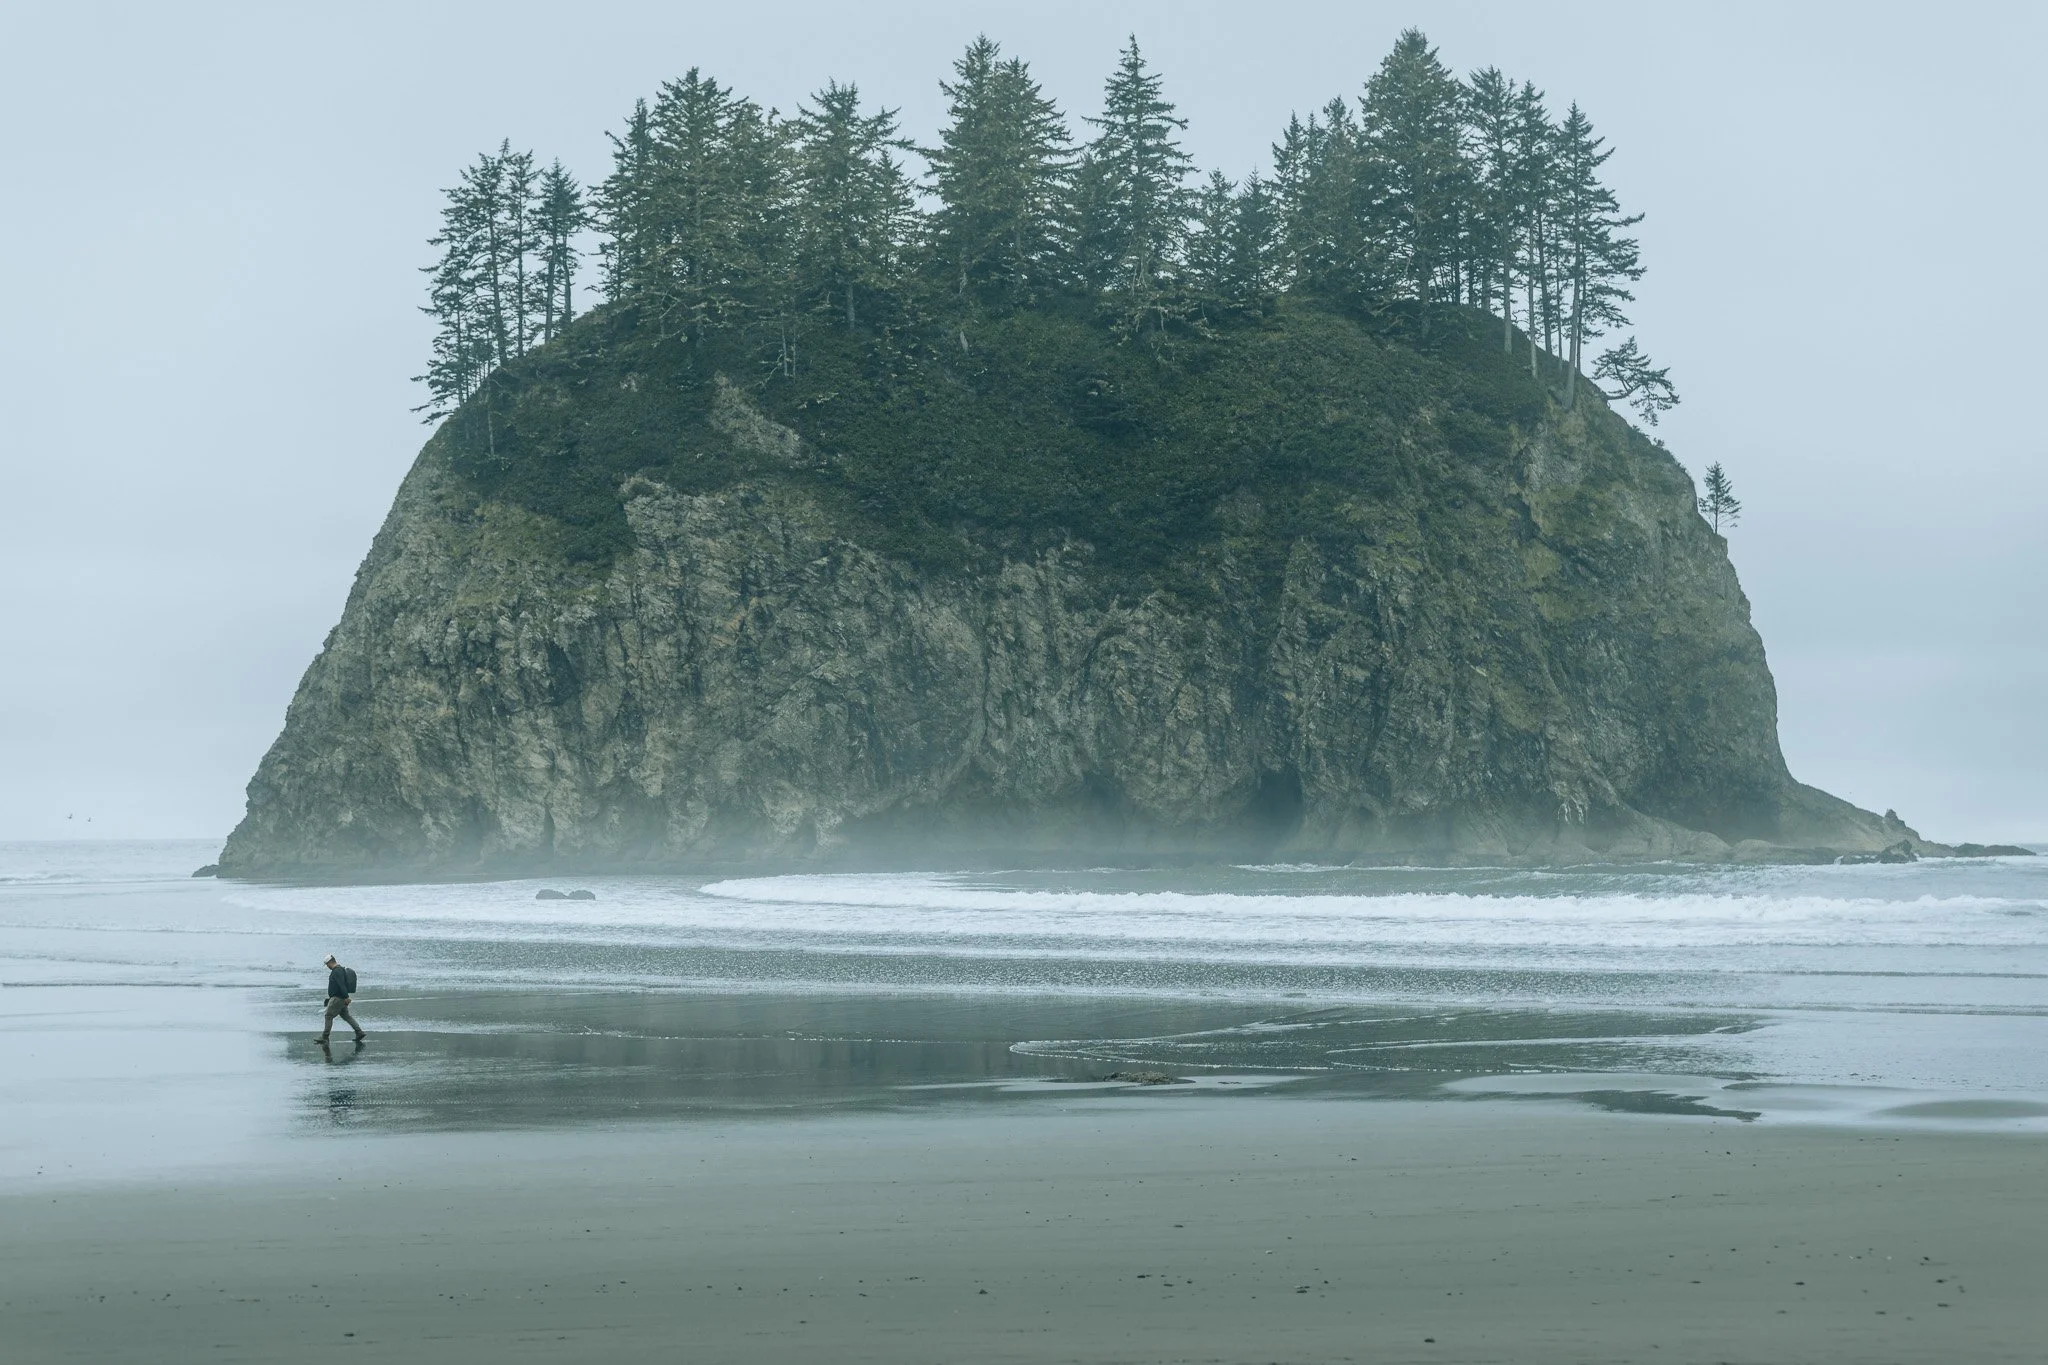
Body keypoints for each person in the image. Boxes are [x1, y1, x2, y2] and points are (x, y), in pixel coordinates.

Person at [318, 954, 365, 1044]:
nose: (327, 967)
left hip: (337, 998)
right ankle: (359, 1032)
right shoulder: (341, 970)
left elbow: (341, 985)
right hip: (341, 998)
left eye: (327, 965)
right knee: (346, 1016)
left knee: (328, 1016)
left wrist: (346, 997)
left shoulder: (337, 971)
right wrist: (345, 997)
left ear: (330, 962)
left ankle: (325, 1037)